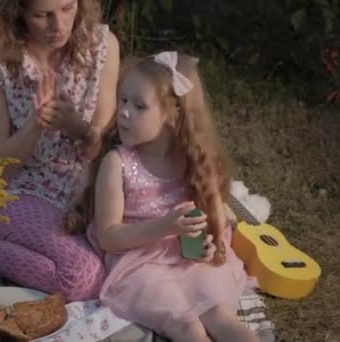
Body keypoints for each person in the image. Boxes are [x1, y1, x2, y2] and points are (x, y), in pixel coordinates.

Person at [64, 51, 259, 341]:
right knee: (186, 325)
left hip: (188, 257)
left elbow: (214, 221)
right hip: (138, 263)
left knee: (219, 315)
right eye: (124, 100)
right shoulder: (117, 164)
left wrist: (208, 244)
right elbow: (109, 237)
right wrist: (164, 227)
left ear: (172, 115)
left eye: (139, 106)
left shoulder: (194, 161)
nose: (125, 112)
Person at [0, 0, 120, 302]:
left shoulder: (103, 47)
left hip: (80, 187)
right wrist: (35, 126)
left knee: (126, 266)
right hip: (16, 186)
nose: (58, 26)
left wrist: (77, 127)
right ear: (17, 11)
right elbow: (1, 168)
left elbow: (100, 147)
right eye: (41, 15)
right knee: (85, 277)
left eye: (67, 8)